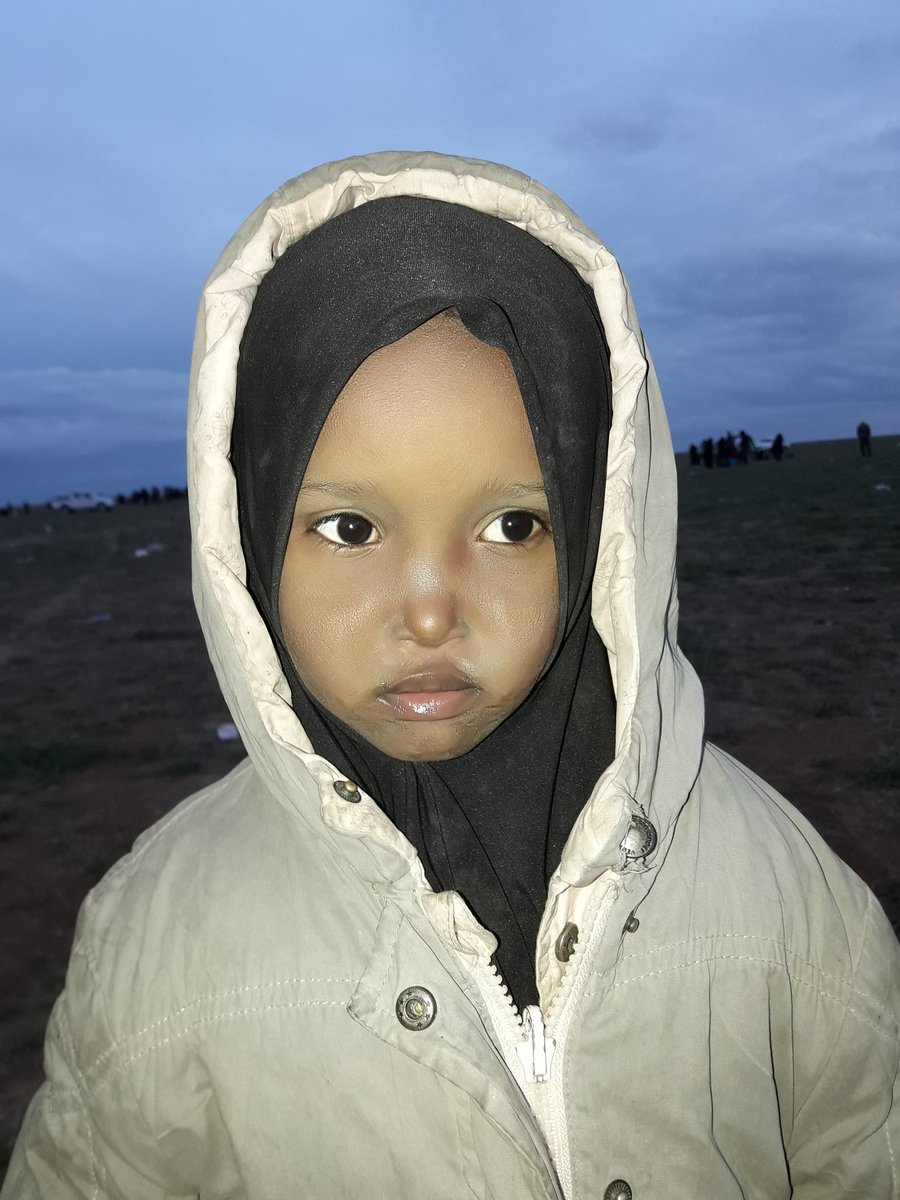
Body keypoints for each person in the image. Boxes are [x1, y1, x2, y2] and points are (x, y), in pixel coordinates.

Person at [4, 151, 898, 1199]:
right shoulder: (156, 932)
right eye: (349, 528)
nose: (430, 611)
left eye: (513, 525)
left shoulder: (778, 884)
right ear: (246, 533)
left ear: (598, 530)